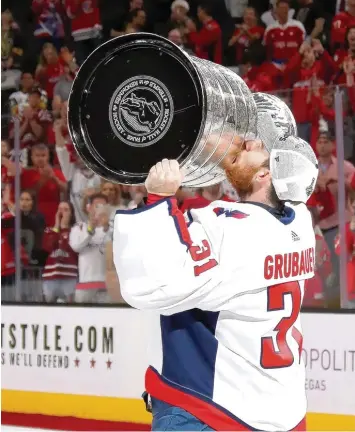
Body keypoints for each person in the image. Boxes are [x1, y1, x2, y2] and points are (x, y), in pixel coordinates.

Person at [112, 101, 318, 429]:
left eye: (257, 145)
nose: (247, 142)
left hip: (212, 410)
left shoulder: (231, 232)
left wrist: (157, 200)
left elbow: (152, 285)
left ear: (265, 173)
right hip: (282, 410)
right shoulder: (298, 223)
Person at [69, 192, 112, 303]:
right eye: (97, 206)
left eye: (103, 206)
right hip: (85, 283)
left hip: (107, 285)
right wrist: (90, 230)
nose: (100, 210)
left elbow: (118, 248)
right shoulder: (79, 227)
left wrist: (107, 228)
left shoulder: (113, 228)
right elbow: (76, 247)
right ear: (88, 208)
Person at [42, 200, 78, 303]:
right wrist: (57, 226)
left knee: (71, 309)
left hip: (69, 276)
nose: (62, 213)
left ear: (71, 214)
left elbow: (72, 248)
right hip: (50, 276)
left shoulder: (75, 231)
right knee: (48, 309)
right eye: (60, 210)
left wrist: (64, 228)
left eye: (66, 210)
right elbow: (49, 246)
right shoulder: (49, 230)